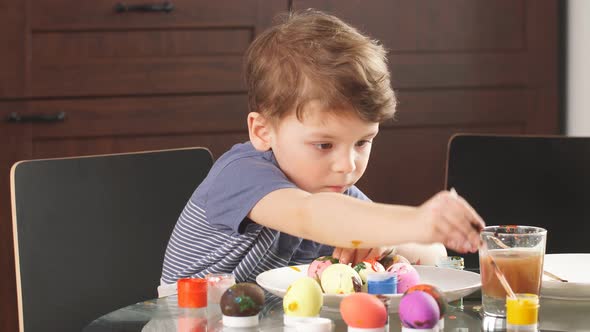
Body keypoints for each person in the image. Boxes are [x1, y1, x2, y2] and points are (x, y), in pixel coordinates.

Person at [159, 10, 484, 296]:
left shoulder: (339, 198)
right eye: (324, 145)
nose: (347, 165)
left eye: (362, 142)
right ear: (263, 131)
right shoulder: (239, 175)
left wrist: (390, 241)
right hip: (188, 320)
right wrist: (416, 220)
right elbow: (309, 215)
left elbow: (435, 256)